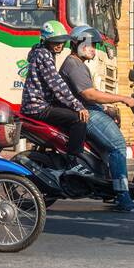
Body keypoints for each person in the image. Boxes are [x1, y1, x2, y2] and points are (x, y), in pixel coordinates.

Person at [58, 25, 134, 213]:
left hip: (89, 109)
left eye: (94, 46)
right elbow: (89, 95)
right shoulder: (73, 64)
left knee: (110, 144)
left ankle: (110, 187)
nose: (93, 49)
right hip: (86, 112)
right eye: (90, 45)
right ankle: (123, 197)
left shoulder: (77, 64)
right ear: (78, 44)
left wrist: (106, 107)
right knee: (118, 145)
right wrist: (122, 99)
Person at [20, 20, 88, 178]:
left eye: (62, 41)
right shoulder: (44, 55)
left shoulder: (41, 51)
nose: (59, 45)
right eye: (55, 41)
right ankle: (73, 162)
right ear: (46, 40)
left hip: (38, 103)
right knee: (78, 120)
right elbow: (57, 85)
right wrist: (78, 106)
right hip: (38, 107)